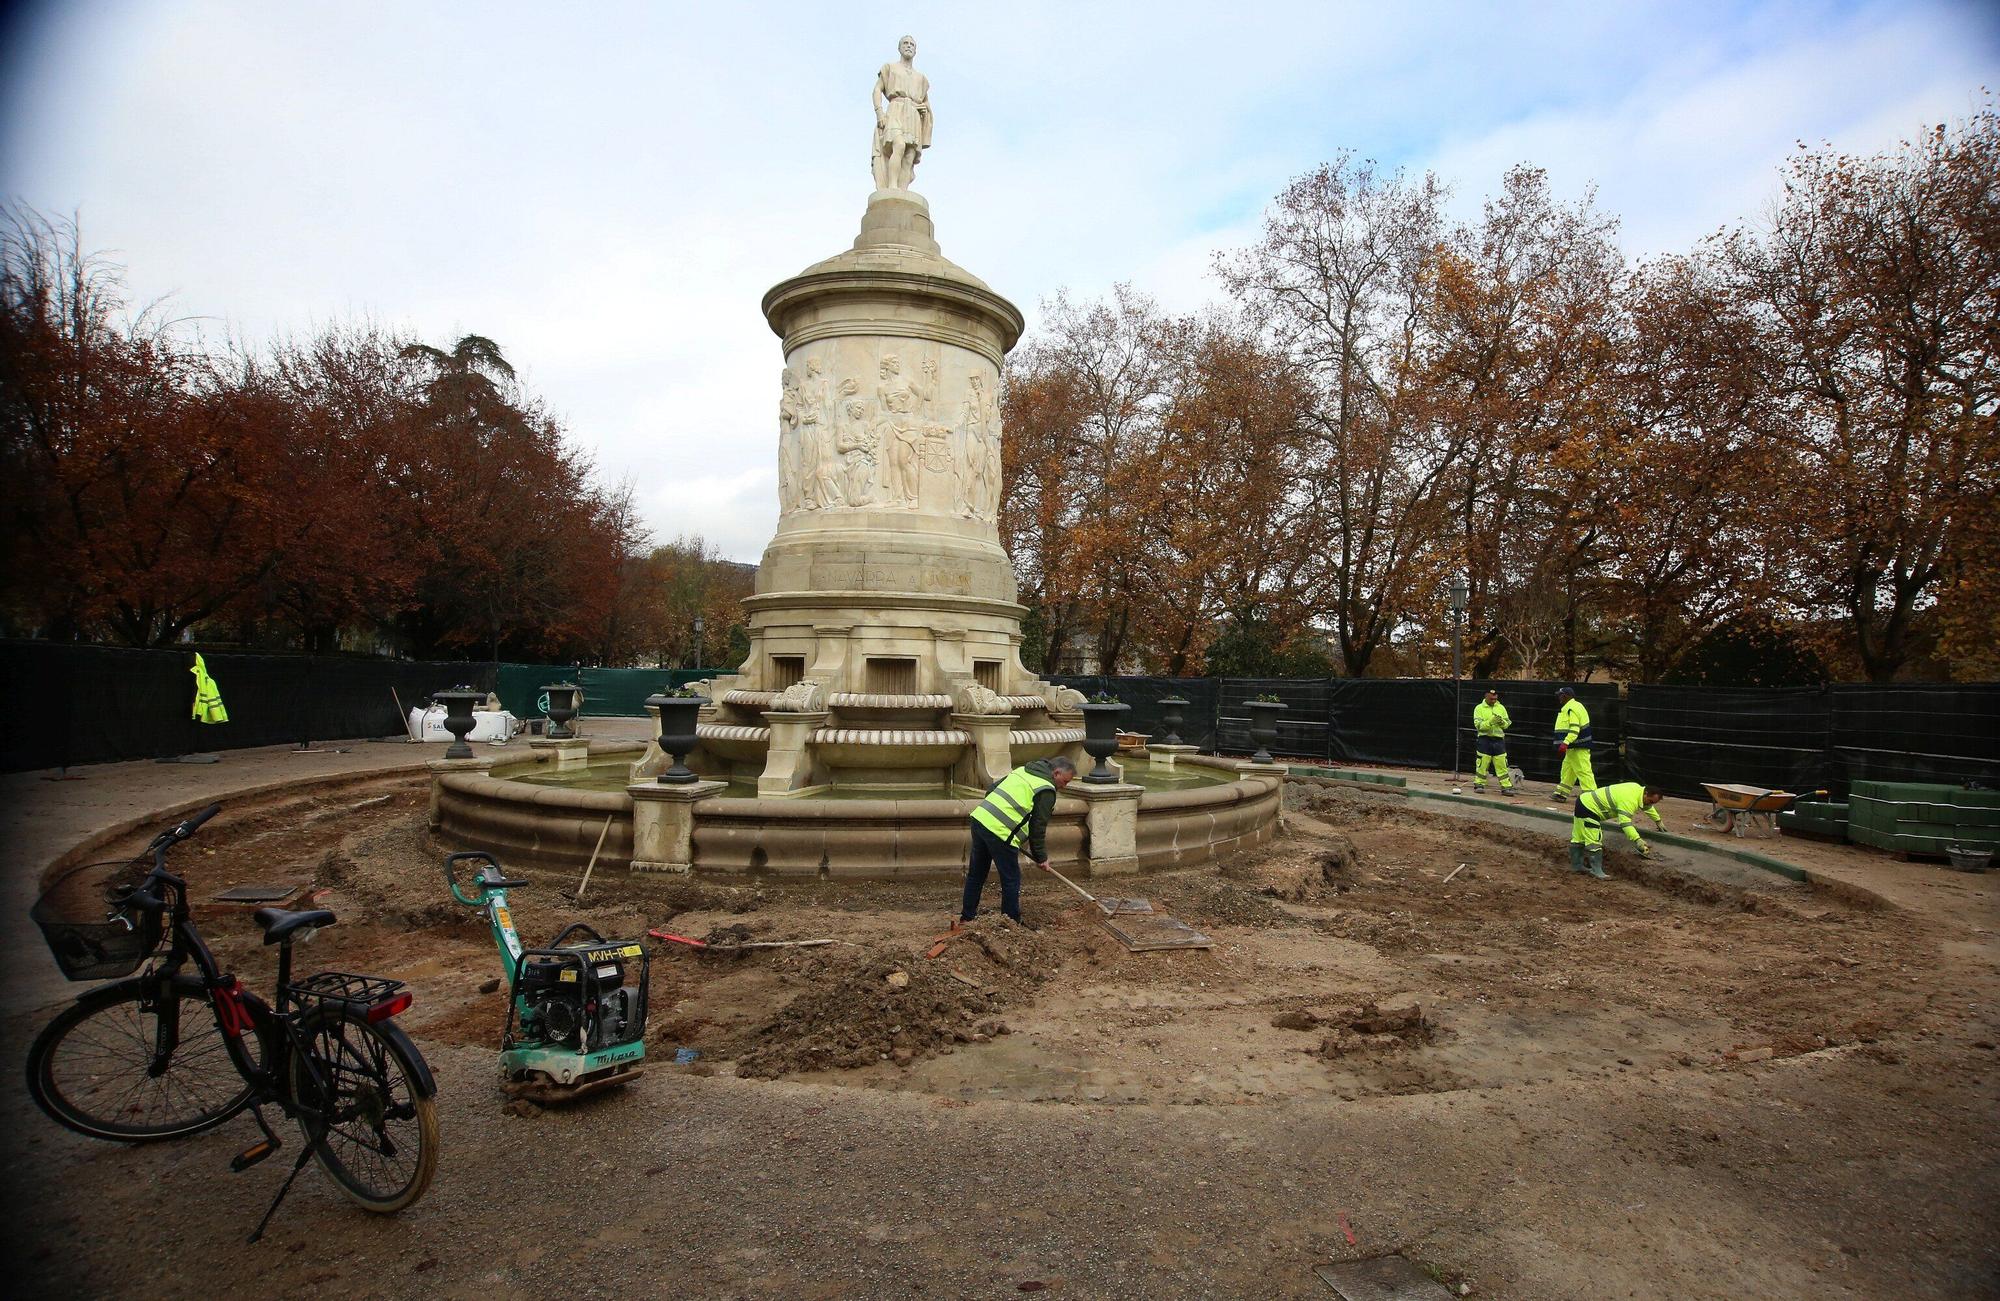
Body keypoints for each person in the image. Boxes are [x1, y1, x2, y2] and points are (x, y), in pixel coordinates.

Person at [960, 756, 1075, 925]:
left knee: (976, 874)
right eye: (1065, 781)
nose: (1064, 786)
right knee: (1011, 879)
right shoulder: (1046, 789)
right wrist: (1041, 857)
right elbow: (1038, 827)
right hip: (1001, 833)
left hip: (980, 820)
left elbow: (991, 790)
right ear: (1056, 773)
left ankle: (966, 917)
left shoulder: (1023, 770)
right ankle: (1011, 922)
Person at [871, 36, 932, 191]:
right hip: (895, 109)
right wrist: (879, 113)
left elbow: (926, 103)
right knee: (898, 144)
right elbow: (877, 90)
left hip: (913, 115)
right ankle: (892, 187)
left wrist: (923, 109)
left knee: (909, 155)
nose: (908, 46)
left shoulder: (921, 78)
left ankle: (902, 190)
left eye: (912, 44)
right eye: (905, 43)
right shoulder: (890, 68)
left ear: (915, 51)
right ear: (899, 48)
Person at [1570, 782, 1665, 878]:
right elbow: (1625, 823)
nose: (1651, 804)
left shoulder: (1637, 789)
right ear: (1646, 793)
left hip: (1583, 801)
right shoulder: (1629, 800)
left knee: (1579, 837)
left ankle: (1576, 866)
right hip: (1590, 809)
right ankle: (1596, 870)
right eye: (1651, 801)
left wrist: (1658, 820)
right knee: (1594, 840)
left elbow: (1647, 806)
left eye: (1653, 803)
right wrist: (1637, 839)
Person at [1550, 686, 1597, 802]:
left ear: (1565, 696)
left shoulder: (1572, 708)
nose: (1559, 697)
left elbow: (1574, 729)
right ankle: (1561, 793)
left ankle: (1592, 798)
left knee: (1584, 771)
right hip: (1574, 746)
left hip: (1578, 746)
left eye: (1560, 695)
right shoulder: (1574, 707)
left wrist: (1565, 743)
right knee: (1568, 770)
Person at [1471, 688, 1515, 795]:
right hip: (1484, 739)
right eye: (1491, 699)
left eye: (1495, 699)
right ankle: (1479, 784)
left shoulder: (1501, 707)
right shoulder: (1479, 708)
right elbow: (1478, 726)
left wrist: (1502, 723)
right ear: (1486, 696)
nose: (1494, 701)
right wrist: (1490, 722)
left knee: (1502, 764)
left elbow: (1508, 723)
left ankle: (1506, 787)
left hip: (1498, 740)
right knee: (1482, 764)